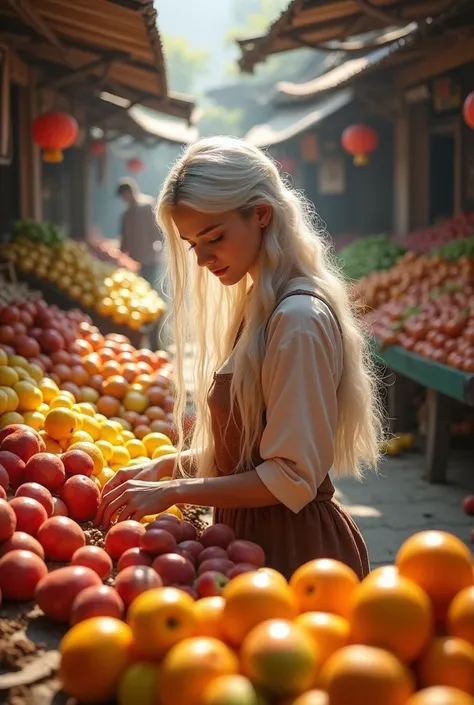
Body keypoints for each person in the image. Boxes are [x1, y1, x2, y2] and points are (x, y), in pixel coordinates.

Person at [97, 137, 384, 580]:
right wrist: (169, 465)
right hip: (248, 544)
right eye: (193, 244)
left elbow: (290, 477)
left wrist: (176, 489)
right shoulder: (262, 302)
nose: (204, 258)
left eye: (214, 237)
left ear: (262, 215)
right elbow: (251, 452)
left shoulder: (297, 320)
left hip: (295, 555)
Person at [116, 177, 164, 289]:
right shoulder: (126, 214)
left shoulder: (148, 206)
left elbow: (159, 230)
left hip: (150, 258)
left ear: (129, 192)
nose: (123, 199)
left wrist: (160, 247)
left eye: (123, 196)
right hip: (134, 260)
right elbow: (124, 238)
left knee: (150, 288)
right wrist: (120, 255)